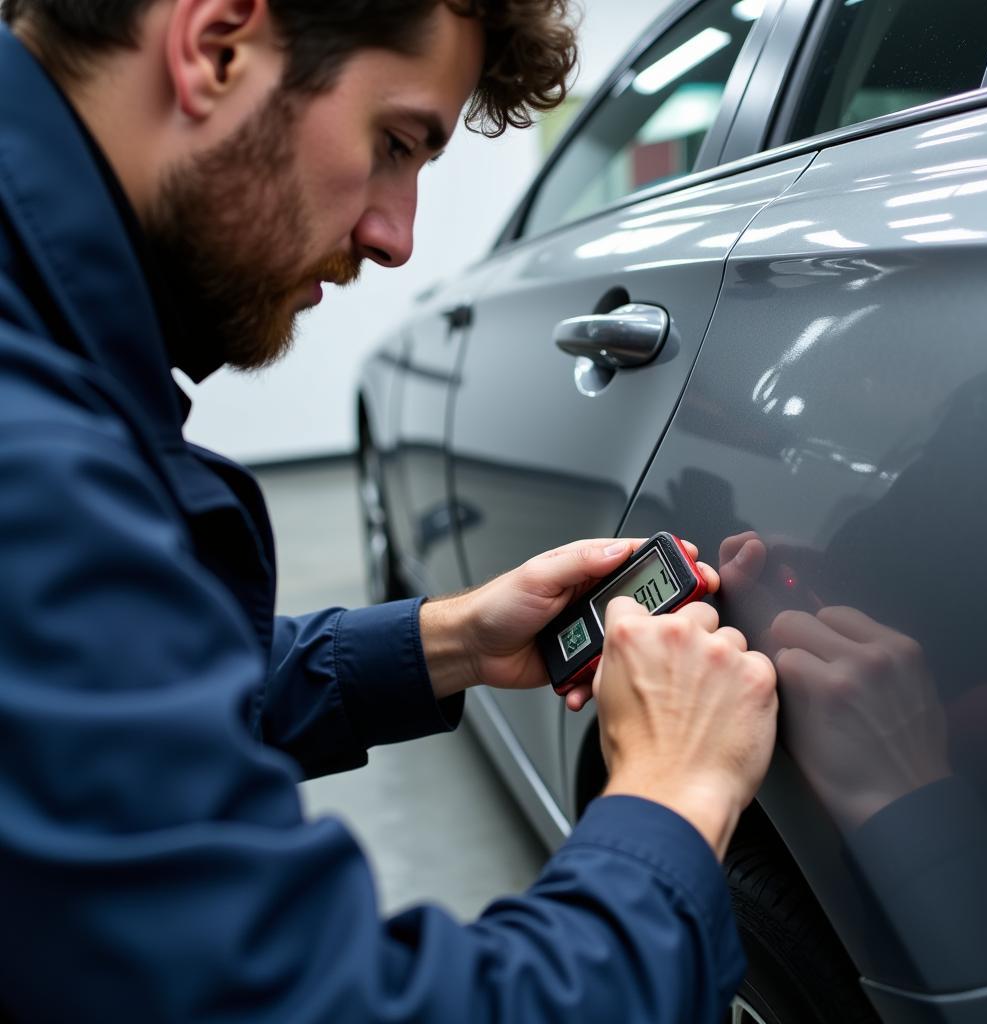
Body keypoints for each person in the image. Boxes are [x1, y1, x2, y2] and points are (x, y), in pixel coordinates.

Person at [0, 1, 778, 1020]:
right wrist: (672, 801)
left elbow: (99, 713)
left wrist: (444, 640)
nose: (397, 237)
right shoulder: (34, 460)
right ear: (216, 44)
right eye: (395, 142)